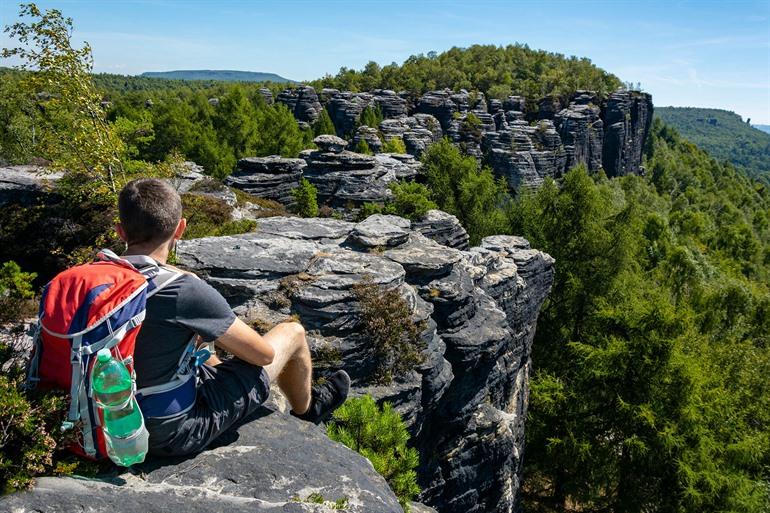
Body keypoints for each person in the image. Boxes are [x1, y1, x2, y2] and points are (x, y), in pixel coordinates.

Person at [115, 177, 350, 457]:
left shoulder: (85, 280)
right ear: (180, 229)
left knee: (197, 344)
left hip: (100, 423)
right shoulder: (183, 289)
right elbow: (263, 356)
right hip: (165, 433)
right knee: (293, 333)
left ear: (120, 231)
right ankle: (309, 408)